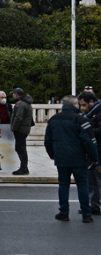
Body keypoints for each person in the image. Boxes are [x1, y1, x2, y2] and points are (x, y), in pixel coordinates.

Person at [45, 95, 98, 223]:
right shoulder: (80, 120)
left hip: (61, 158)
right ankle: (86, 214)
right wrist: (94, 157)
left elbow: (48, 140)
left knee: (63, 185)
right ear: (75, 105)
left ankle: (64, 212)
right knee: (82, 185)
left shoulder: (53, 119)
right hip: (79, 158)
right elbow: (88, 141)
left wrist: (52, 154)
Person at [78, 90, 101, 216]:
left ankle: (95, 206)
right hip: (93, 151)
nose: (82, 107)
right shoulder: (92, 113)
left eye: (84, 105)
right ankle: (94, 204)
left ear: (91, 102)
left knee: (95, 181)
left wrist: (87, 129)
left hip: (97, 152)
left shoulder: (97, 113)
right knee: (92, 180)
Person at [10, 87, 33, 175]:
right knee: (20, 148)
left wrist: (14, 128)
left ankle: (24, 168)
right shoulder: (26, 103)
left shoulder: (20, 104)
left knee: (21, 148)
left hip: (20, 129)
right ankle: (23, 167)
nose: (13, 95)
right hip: (25, 128)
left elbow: (18, 117)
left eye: (13, 94)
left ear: (16, 94)